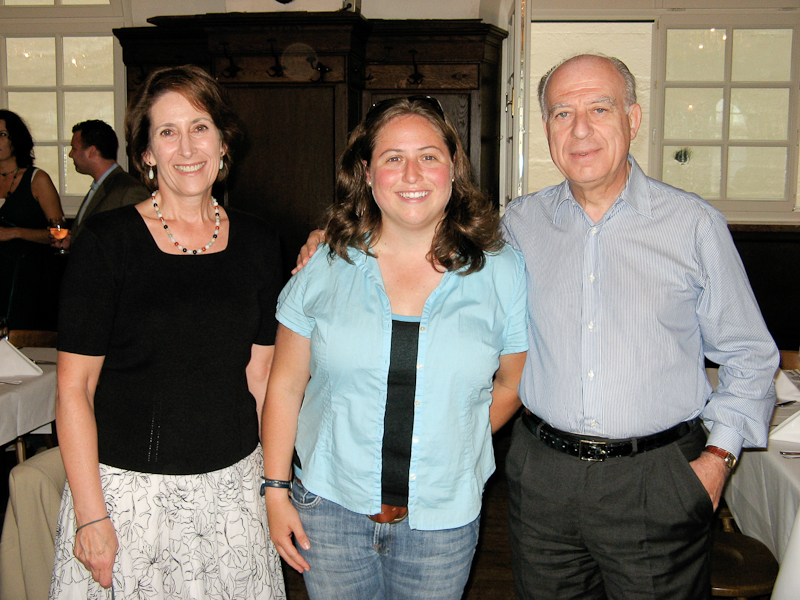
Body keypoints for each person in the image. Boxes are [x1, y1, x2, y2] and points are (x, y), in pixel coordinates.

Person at [499, 54, 779, 599]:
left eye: (599, 108)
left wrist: (718, 459)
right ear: (547, 129)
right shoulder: (518, 224)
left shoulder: (693, 226)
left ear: (633, 119)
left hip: (657, 479)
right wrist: (339, 239)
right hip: (542, 480)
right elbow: (432, 255)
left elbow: (749, 353)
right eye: (561, 113)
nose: (580, 129)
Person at [262, 96, 528, 600]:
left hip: (443, 523)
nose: (412, 174)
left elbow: (512, 383)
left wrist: (449, 437)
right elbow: (285, 384)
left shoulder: (502, 271)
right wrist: (275, 491)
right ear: (366, 173)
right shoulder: (326, 263)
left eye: (429, 155)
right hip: (331, 513)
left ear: (453, 167)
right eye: (392, 158)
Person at [50, 65, 286, 599]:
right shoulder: (107, 245)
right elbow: (73, 389)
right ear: (147, 153)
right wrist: (91, 518)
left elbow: (263, 377)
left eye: (200, 127)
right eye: (168, 132)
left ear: (224, 142)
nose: (187, 147)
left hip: (233, 494)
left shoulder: (257, 241)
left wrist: (277, 486)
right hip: (127, 499)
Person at [0, 109, 66, 329]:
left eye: (1, 135)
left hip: (26, 277)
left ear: (16, 139)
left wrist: (16, 232)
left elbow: (60, 234)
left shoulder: (37, 179)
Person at [67, 119, 149, 242]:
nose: (70, 154)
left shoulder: (130, 190)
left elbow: (138, 243)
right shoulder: (100, 186)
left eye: (74, 148)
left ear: (91, 151)